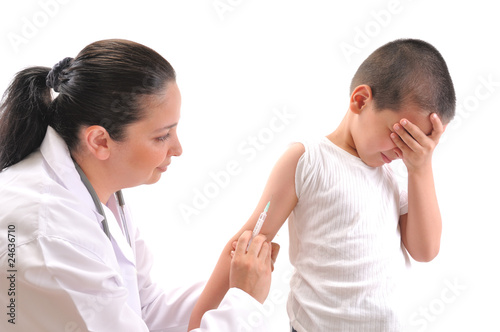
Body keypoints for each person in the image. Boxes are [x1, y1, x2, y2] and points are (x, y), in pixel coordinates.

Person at [0, 39, 279, 332]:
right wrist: (244, 302)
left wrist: (232, 288)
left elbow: (142, 308)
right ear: (100, 141)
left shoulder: (94, 191)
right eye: (162, 136)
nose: (178, 148)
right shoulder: (51, 234)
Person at [188, 38, 456, 331]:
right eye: (402, 136)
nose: (403, 152)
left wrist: (421, 168)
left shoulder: (398, 177)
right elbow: (246, 245)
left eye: (419, 145)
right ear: (361, 100)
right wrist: (196, 323)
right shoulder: (308, 159)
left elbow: (425, 250)